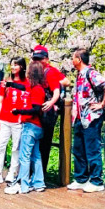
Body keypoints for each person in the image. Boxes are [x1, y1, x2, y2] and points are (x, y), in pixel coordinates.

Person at [67, 49, 105, 193]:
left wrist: (102, 104)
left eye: (73, 58)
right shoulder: (79, 75)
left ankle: (96, 180)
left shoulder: (91, 73)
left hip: (92, 117)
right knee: (78, 149)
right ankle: (81, 178)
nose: (71, 60)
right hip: (80, 117)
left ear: (79, 59)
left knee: (92, 149)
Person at [5, 60, 48, 194]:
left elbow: (35, 109)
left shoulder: (36, 90)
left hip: (30, 126)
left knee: (24, 156)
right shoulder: (36, 87)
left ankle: (23, 185)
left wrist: (19, 111)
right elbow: (23, 88)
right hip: (37, 127)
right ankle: (39, 183)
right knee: (36, 156)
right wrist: (11, 84)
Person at [0, 57, 27, 185]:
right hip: (4, 119)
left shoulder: (27, 83)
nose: (13, 67)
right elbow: (0, 101)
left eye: (16, 65)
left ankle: (12, 173)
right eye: (12, 65)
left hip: (18, 120)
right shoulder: (5, 82)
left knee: (16, 148)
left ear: (22, 67)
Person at [29, 44, 70, 176]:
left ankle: (40, 175)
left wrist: (51, 100)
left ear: (46, 59)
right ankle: (32, 173)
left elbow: (65, 83)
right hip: (34, 111)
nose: (37, 62)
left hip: (45, 112)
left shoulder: (51, 72)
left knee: (44, 144)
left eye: (40, 59)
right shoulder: (33, 72)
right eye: (35, 59)